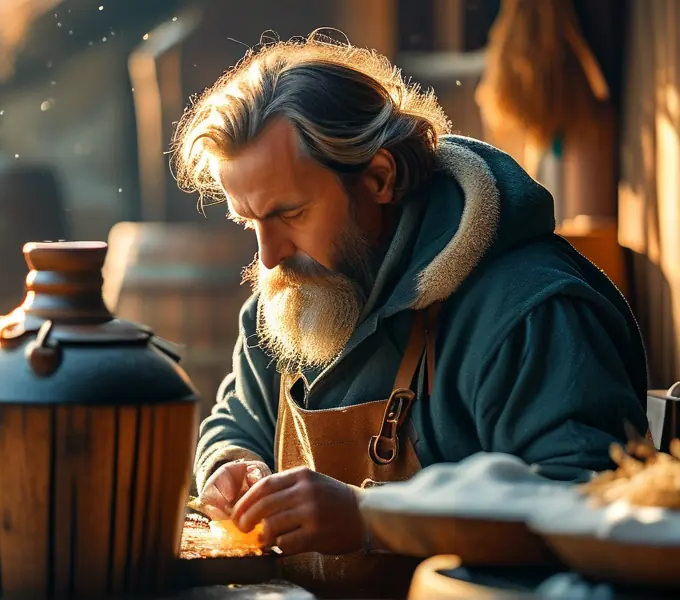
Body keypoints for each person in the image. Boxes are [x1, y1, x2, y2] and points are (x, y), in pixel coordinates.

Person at [171, 32, 649, 597]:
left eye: (291, 214)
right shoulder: (294, 293)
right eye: (248, 221)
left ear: (378, 178)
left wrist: (374, 516)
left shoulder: (531, 312)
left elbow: (591, 510)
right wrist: (232, 463)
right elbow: (238, 418)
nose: (268, 256)